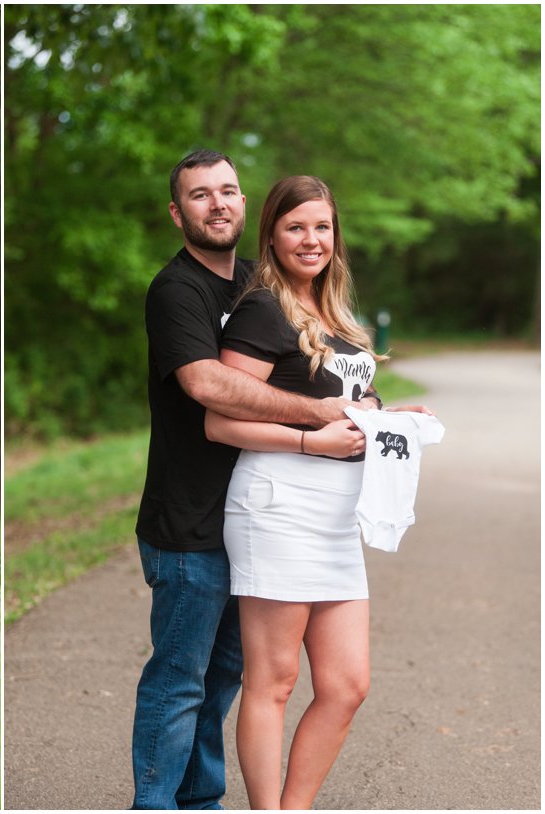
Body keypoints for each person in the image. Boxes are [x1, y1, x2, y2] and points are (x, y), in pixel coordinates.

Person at [132, 151, 382, 810]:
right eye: (200, 194)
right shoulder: (177, 289)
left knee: (225, 680)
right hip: (189, 516)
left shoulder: (253, 283)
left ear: (246, 205)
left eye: (228, 191)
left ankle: (203, 801)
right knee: (182, 680)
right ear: (177, 210)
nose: (217, 203)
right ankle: (158, 805)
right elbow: (208, 387)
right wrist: (317, 421)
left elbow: (320, 372)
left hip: (249, 511)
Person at [205, 175, 430, 809]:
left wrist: (390, 417)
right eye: (295, 227)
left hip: (337, 518)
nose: (311, 239)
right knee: (273, 682)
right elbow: (220, 420)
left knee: (346, 684)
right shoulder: (260, 310)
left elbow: (340, 405)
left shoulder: (337, 315)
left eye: (322, 227)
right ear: (272, 236)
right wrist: (312, 441)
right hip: (278, 506)